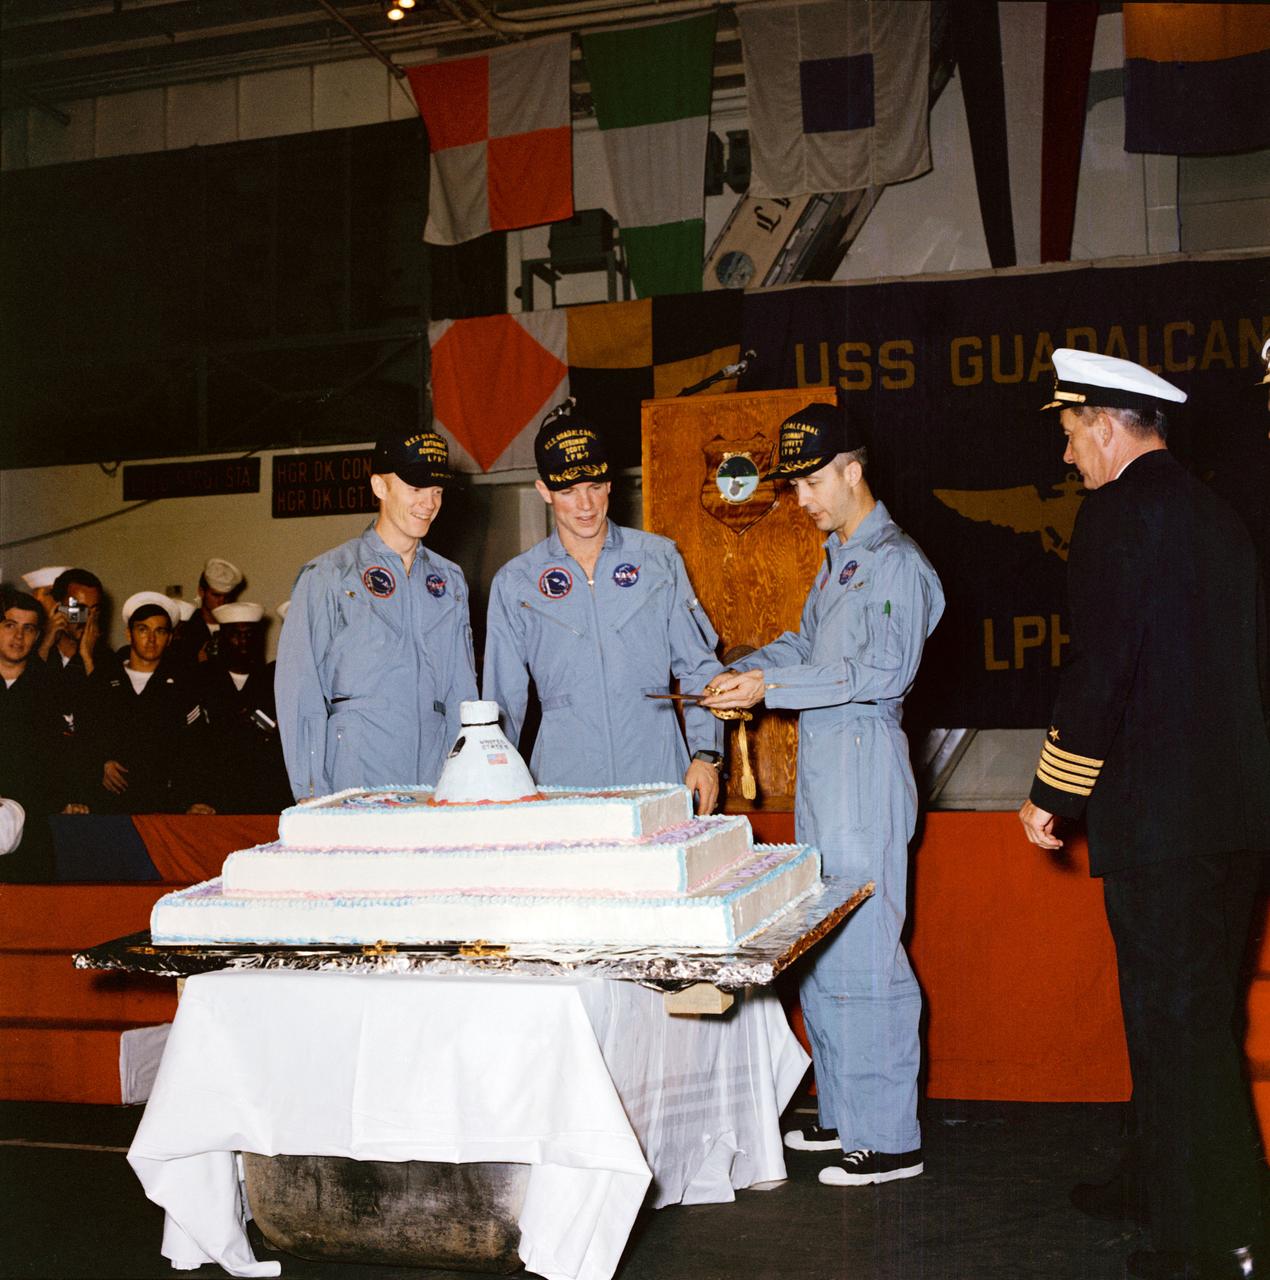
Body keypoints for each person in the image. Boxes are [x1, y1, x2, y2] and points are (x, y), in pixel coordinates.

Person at [1018, 349, 1269, 1280]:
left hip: (1163, 823)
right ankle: (1154, 1183)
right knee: (1188, 1016)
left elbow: (1103, 668)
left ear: (1110, 424)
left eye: (1072, 431)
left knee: (1183, 1027)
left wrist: (1053, 789)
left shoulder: (1117, 515)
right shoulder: (1215, 513)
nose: (1070, 453)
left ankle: (1220, 1240)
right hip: (1235, 815)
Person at [701, 400, 944, 1187]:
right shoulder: (841, 558)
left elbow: (884, 673)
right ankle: (843, 1115)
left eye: (809, 483)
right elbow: (808, 643)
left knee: (870, 949)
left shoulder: (897, 561)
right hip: (825, 766)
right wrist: (747, 670)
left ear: (853, 469)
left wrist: (773, 684)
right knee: (830, 943)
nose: (800, 500)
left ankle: (890, 1138)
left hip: (867, 761)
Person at [482, 414, 723, 813]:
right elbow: (501, 701)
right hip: (563, 780)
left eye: (595, 487)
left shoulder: (658, 558)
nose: (586, 505)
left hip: (658, 767)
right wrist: (495, 782)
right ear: (544, 490)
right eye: (569, 492)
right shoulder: (515, 582)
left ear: (610, 483)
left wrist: (706, 754)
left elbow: (699, 668)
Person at [275, 428, 477, 798]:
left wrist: (463, 779)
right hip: (355, 771)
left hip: (433, 772)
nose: (429, 503)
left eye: (437, 491)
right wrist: (310, 790)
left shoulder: (449, 580)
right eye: (416, 489)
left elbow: (461, 692)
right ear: (379, 487)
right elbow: (299, 690)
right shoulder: (331, 573)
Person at [69, 593, 215, 815]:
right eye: (143, 629)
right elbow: (83, 736)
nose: (151, 639)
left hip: (165, 802)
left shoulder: (184, 686)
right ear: (129, 633)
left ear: (169, 638)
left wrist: (194, 800)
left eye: (160, 631)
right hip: (109, 803)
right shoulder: (104, 680)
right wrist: (102, 762)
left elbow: (195, 750)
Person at [198, 602, 292, 814]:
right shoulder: (202, 679)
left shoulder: (273, 679)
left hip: (263, 799)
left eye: (249, 635)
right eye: (234, 634)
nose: (242, 641)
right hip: (214, 798)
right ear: (221, 638)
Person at [0, 585, 62, 881]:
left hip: (30, 822)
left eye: (28, 629)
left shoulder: (50, 689)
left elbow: (54, 760)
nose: (18, 637)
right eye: (10, 625)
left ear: (38, 636)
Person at [171, 558, 244, 666]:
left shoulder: (238, 629)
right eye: (216, 595)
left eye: (227, 597)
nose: (222, 601)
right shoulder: (184, 627)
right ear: (201, 592)